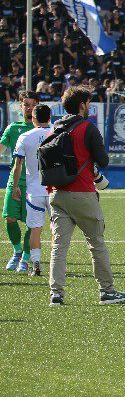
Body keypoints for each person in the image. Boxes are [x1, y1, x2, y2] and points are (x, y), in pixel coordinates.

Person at [47, 86, 125, 305]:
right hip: (82, 193)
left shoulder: (54, 129)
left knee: (59, 247)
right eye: (88, 103)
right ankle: (106, 290)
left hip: (57, 193)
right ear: (82, 105)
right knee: (96, 243)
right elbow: (103, 161)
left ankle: (56, 293)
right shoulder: (87, 128)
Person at [7, 103, 52, 276]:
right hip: (55, 190)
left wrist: (16, 185)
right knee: (56, 228)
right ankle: (57, 264)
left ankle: (36, 265)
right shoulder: (58, 132)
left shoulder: (25, 136)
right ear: (50, 118)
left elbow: (18, 165)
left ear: (33, 118)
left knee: (35, 230)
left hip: (34, 191)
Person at [1, 91, 37, 271]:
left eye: (32, 104)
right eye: (26, 104)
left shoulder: (43, 129)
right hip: (14, 181)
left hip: (34, 183)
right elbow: (0, 148)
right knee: (9, 217)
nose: (29, 108)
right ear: (20, 106)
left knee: (32, 222)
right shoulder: (12, 128)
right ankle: (16, 252)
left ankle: (26, 256)